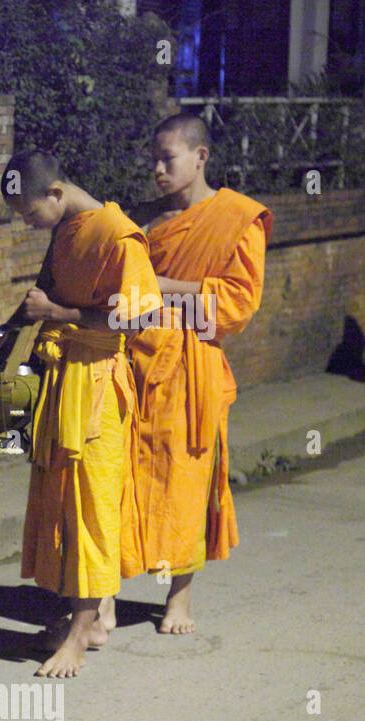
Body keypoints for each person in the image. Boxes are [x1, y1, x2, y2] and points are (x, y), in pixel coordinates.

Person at [0, 150, 162, 677]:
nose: (25, 222)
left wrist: (57, 313)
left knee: (92, 508)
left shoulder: (118, 233)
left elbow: (137, 315)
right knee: (63, 506)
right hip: (62, 376)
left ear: (55, 193)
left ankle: (78, 634)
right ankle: (89, 616)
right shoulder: (67, 229)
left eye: (27, 211)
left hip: (98, 384)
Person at [129, 114, 271, 633]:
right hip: (138, 361)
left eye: (168, 158)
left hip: (192, 370)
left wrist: (164, 286)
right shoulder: (145, 219)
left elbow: (234, 307)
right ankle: (102, 597)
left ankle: (179, 598)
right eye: (154, 159)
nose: (158, 169)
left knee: (185, 481)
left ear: (201, 156)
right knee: (130, 477)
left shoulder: (237, 217)